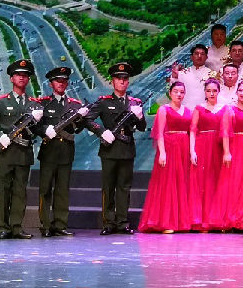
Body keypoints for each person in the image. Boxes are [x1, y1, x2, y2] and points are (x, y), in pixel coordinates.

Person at [0, 59, 43, 239]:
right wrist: (0, 136)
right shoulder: (1, 102)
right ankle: (2, 227)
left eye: (25, 75)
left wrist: (39, 122)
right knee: (3, 191)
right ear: (11, 78)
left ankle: (16, 227)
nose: (22, 78)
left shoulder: (34, 105)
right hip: (5, 154)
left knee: (20, 192)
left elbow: (37, 130)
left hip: (23, 154)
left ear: (28, 79)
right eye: (18, 75)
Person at [85, 62, 147, 235]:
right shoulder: (104, 102)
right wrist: (101, 131)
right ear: (112, 81)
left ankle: (122, 222)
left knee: (124, 188)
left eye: (125, 79)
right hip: (110, 150)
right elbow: (88, 119)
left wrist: (140, 117)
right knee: (108, 187)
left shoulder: (135, 102)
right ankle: (108, 222)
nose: (122, 81)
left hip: (127, 149)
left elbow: (142, 127)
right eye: (118, 79)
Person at [34, 66, 88, 237]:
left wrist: (81, 118)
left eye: (64, 81)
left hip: (66, 151)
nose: (61, 83)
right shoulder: (43, 103)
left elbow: (79, 128)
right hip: (49, 150)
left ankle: (60, 225)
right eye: (58, 81)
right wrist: (44, 130)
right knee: (45, 190)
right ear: (51, 84)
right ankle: (45, 225)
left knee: (62, 190)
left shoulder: (74, 104)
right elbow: (34, 126)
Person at [138, 81, 192, 233]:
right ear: (170, 93)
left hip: (183, 148)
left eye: (182, 92)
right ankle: (165, 222)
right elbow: (159, 133)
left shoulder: (188, 111)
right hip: (169, 148)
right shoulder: (164, 109)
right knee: (168, 183)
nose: (179, 94)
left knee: (181, 183)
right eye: (176, 91)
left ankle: (180, 222)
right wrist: (162, 152)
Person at [211, 79, 243, 231]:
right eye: (240, 90)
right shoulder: (229, 110)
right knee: (233, 181)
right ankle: (231, 218)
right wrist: (226, 152)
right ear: (236, 93)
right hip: (236, 148)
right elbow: (225, 132)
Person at [188, 78, 226, 231]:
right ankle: (201, 219)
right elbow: (193, 129)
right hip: (202, 146)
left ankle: (215, 219)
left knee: (216, 181)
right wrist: (192, 150)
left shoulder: (224, 108)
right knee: (202, 182)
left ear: (219, 91)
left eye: (214, 91)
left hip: (218, 147)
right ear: (205, 92)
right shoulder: (199, 108)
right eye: (209, 91)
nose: (211, 93)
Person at [170, 44, 214, 110]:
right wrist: (174, 77)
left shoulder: (211, 75)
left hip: (205, 112)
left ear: (206, 57)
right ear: (191, 57)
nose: (199, 56)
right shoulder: (183, 73)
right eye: (196, 54)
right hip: (185, 112)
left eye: (202, 54)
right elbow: (173, 90)